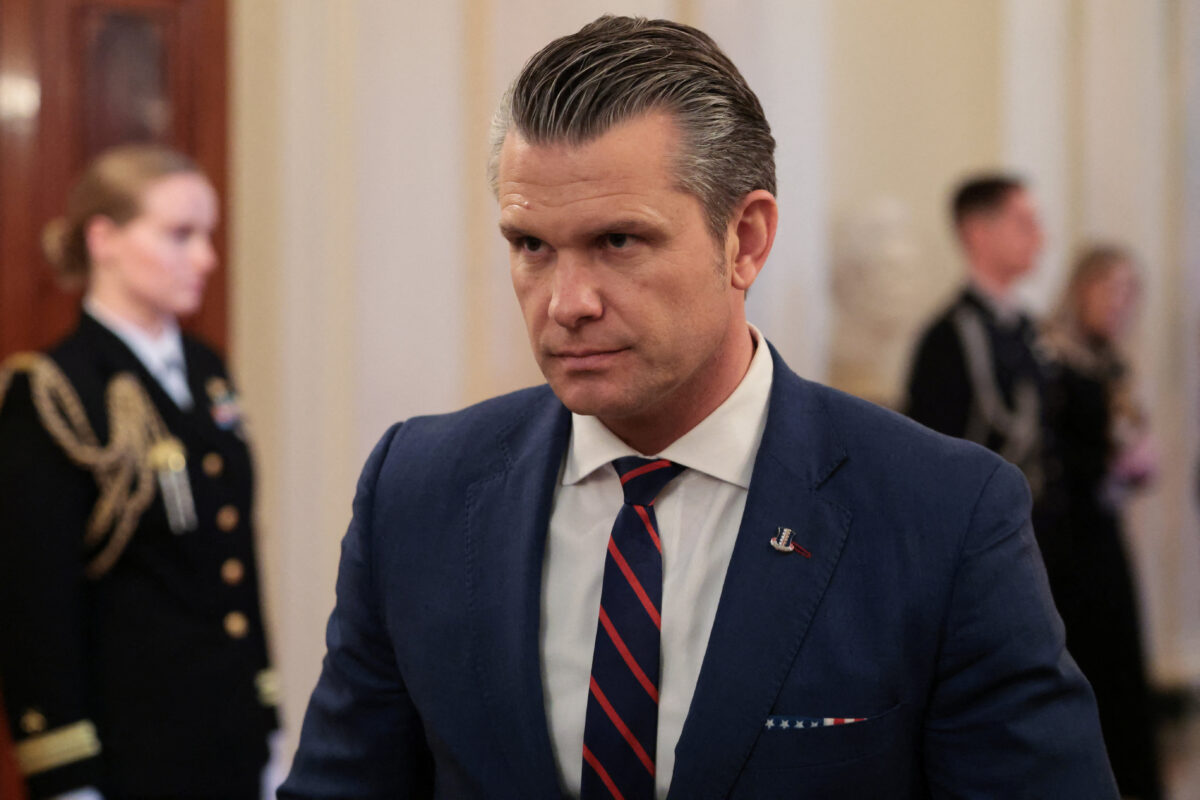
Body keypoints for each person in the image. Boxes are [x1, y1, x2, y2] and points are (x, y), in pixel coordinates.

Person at [280, 16, 1114, 799]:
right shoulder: (417, 493)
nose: (567, 303)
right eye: (531, 245)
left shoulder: (943, 512)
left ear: (745, 240)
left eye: (618, 241)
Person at [0, 145, 278, 799]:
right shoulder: (55, 391)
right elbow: (34, 603)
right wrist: (65, 776)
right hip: (129, 757)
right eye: (180, 234)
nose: (206, 258)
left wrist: (266, 720)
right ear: (104, 239)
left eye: (207, 235)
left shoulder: (207, 370)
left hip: (229, 742)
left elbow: (234, 559)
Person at [1039, 245, 1163, 800]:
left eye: (1129, 291)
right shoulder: (1052, 355)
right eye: (1111, 288)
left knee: (1121, 670)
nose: (1120, 302)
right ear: (1082, 288)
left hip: (1106, 535)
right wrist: (1110, 465)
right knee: (1083, 662)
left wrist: (1136, 463)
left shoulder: (1112, 362)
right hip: (1065, 541)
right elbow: (1050, 451)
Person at [904, 174, 1048, 496]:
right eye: (1024, 224)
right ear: (978, 232)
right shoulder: (948, 337)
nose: (1041, 237)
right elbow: (933, 451)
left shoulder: (1029, 327)